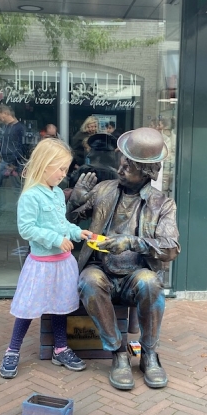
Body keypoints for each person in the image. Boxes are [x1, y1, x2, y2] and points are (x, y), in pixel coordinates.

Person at [67, 127, 180, 390]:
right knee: (89, 280)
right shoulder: (104, 189)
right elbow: (70, 224)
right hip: (102, 270)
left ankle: (149, 354)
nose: (120, 169)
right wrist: (74, 202)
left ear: (146, 172)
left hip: (136, 275)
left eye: (128, 167)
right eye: (122, 162)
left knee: (150, 283)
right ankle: (118, 352)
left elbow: (171, 247)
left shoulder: (162, 204)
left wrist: (131, 242)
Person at [0, 138, 93, 379]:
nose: (63, 174)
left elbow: (62, 223)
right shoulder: (30, 196)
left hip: (63, 263)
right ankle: (12, 350)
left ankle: (60, 349)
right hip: (41, 265)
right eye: (60, 168)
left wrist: (77, 232)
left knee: (61, 306)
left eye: (65, 169)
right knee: (27, 308)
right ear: (44, 164)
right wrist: (55, 239)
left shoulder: (58, 193)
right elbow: (27, 229)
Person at [0, 104, 27, 217]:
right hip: (3, 160)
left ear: (5, 113)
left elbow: (22, 147)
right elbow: (2, 143)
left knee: (17, 188)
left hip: (14, 162)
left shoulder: (19, 128)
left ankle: (21, 213)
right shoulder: (5, 127)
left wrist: (14, 163)